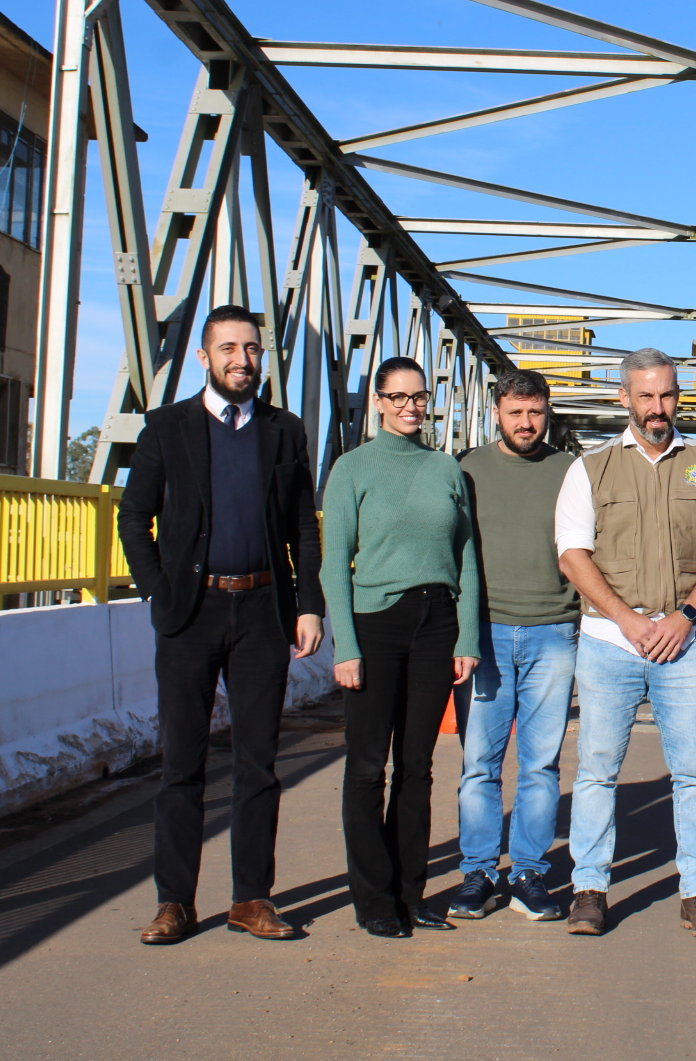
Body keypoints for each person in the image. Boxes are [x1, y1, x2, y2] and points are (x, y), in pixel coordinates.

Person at [118, 304, 325, 945]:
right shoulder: (166, 428)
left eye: (253, 349)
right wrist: (159, 593)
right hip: (191, 612)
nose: (243, 359)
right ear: (204, 358)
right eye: (229, 348)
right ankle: (174, 902)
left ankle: (250, 899)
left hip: (262, 612)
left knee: (258, 762)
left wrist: (308, 603)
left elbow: (301, 529)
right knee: (182, 763)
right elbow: (134, 517)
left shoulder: (284, 431)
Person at [554, 348, 696, 938]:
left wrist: (686, 617)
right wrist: (629, 621)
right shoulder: (590, 468)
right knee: (596, 771)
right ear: (624, 398)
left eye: (665, 395)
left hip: (689, 641)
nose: (656, 407)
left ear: (677, 395)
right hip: (611, 641)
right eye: (645, 396)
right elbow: (572, 555)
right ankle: (588, 888)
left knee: (693, 772)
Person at [321, 357, 482, 939]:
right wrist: (346, 646)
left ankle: (411, 895)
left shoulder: (446, 469)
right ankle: (372, 900)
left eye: (420, 397)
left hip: (436, 622)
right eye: (399, 397)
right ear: (379, 401)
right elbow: (334, 562)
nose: (412, 406)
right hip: (377, 623)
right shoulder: (353, 468)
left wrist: (465, 635)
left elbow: (466, 557)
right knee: (368, 768)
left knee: (418, 768)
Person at [450, 369, 580, 923]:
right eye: (515, 413)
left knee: (542, 764)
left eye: (536, 412)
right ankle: (478, 871)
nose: (526, 423)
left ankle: (528, 871)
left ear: (547, 411)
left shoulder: (571, 470)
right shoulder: (468, 469)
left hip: (555, 630)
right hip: (487, 634)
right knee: (480, 762)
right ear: (496, 413)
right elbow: (450, 550)